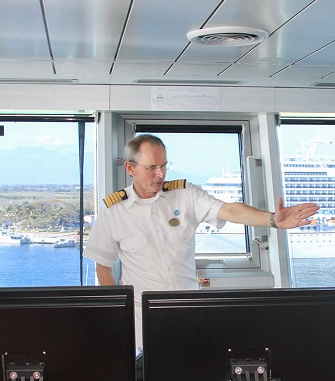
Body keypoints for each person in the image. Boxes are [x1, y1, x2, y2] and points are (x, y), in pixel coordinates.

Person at [84, 134, 319, 350]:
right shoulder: (113, 211)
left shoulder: (185, 194)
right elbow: (103, 265)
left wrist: (272, 220)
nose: (161, 174)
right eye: (151, 167)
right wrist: (118, 313)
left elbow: (229, 210)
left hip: (189, 311)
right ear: (130, 168)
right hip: (140, 318)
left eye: (164, 166)